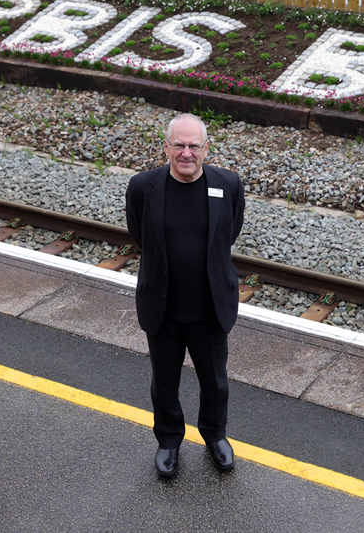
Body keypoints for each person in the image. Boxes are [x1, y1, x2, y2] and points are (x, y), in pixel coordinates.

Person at [124, 113, 245, 477]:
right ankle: (169, 441)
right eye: (179, 145)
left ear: (206, 149)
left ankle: (215, 436)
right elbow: (139, 234)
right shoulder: (143, 187)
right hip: (163, 309)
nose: (187, 153)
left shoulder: (228, 184)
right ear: (166, 147)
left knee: (215, 382)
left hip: (210, 309)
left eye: (194, 146)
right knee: (164, 384)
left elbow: (230, 232)